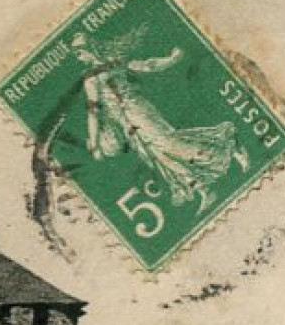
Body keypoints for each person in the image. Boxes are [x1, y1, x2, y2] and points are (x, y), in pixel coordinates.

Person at [71, 30, 246, 209]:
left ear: (90, 49)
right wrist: (171, 59)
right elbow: (148, 65)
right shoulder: (110, 65)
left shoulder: (92, 78)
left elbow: (94, 112)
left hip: (138, 113)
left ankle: (229, 146)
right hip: (128, 123)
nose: (78, 57)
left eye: (79, 52)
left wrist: (93, 143)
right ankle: (205, 191)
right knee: (161, 157)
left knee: (171, 145)